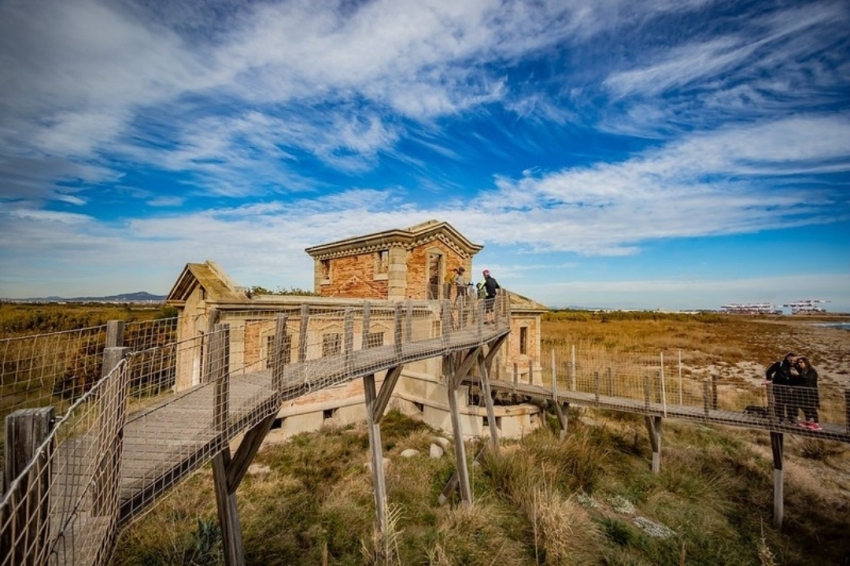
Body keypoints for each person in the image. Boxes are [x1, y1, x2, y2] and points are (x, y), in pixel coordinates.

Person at [764, 352, 798, 423]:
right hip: (778, 387)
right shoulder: (780, 364)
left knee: (791, 403)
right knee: (780, 402)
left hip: (790, 388)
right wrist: (769, 380)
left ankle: (792, 418)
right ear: (786, 358)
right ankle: (780, 417)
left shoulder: (796, 366)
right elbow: (769, 372)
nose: (792, 362)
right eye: (790, 360)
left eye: (794, 361)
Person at [794, 357, 822, 430]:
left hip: (811, 392)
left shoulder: (812, 371)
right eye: (798, 363)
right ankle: (808, 421)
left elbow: (807, 380)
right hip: (802, 393)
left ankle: (816, 423)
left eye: (801, 362)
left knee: (812, 407)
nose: (799, 364)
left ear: (806, 363)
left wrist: (798, 375)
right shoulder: (802, 371)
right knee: (804, 406)